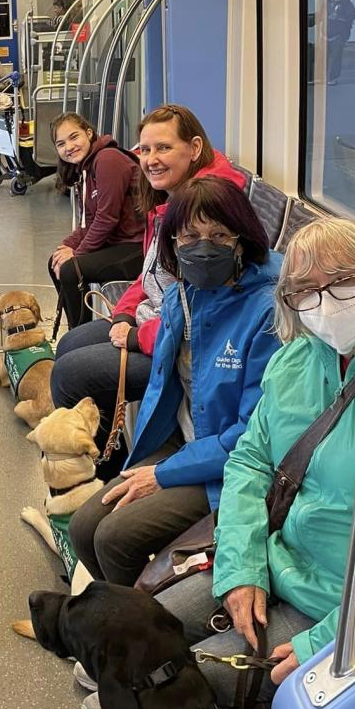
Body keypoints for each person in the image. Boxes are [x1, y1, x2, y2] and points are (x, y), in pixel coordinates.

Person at [158, 217, 355, 708]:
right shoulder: (297, 357)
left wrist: (329, 643)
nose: (327, 304)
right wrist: (241, 568)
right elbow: (250, 463)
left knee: (175, 687)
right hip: (276, 557)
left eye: (344, 281)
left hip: (352, 602)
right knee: (150, 624)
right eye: (305, 291)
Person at [69, 177, 280, 593]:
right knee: (83, 527)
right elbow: (166, 387)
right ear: (173, 242)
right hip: (182, 441)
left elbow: (253, 434)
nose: (204, 247)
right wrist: (142, 459)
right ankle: (121, 612)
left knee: (115, 538)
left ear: (242, 241)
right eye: (190, 235)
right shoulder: (182, 295)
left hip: (231, 462)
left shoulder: (267, 313)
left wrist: (163, 473)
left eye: (219, 234)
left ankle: (144, 627)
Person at [50, 104, 246, 464]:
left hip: (183, 346)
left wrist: (139, 335)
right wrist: (124, 314)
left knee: (69, 374)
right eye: (145, 149)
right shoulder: (169, 199)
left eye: (164, 148)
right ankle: (110, 451)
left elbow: (204, 318)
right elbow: (151, 273)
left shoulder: (207, 213)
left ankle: (99, 469)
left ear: (195, 148)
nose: (151, 159)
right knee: (70, 344)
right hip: (154, 317)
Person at [47, 113, 143, 330]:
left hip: (137, 247)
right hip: (118, 244)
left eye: (74, 137)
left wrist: (77, 253)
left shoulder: (108, 159)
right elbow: (88, 222)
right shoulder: (86, 170)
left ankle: (78, 334)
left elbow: (107, 218)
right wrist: (66, 246)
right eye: (61, 144)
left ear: (89, 133)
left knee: (72, 269)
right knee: (56, 261)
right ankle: (77, 330)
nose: (69, 147)